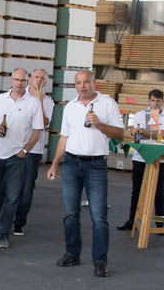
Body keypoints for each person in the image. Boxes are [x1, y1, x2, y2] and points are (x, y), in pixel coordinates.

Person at [47, 69, 124, 277]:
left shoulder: (107, 103)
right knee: (70, 213)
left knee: (99, 215)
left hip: (96, 165)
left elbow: (120, 133)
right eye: (78, 83)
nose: (82, 86)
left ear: (94, 83)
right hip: (71, 163)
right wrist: (54, 164)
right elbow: (64, 137)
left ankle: (100, 261)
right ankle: (72, 253)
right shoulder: (70, 107)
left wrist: (99, 124)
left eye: (86, 82)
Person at [0, 68, 43, 249]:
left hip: (17, 158)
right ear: (11, 80)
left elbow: (37, 130)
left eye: (23, 80)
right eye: (17, 80)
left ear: (27, 82)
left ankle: (3, 234)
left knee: (12, 197)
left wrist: (25, 150)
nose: (19, 83)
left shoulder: (33, 103)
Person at [118, 89, 164, 231]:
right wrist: (151, 133)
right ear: (148, 101)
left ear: (163, 102)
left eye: (158, 101)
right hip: (140, 157)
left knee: (158, 191)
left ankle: (160, 223)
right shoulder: (140, 114)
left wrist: (145, 132)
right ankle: (132, 220)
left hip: (159, 158)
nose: (155, 104)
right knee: (136, 190)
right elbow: (137, 133)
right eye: (153, 101)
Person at [13, 68, 53, 236]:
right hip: (13, 147)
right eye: (36, 77)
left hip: (33, 150)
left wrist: (39, 101)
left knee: (26, 188)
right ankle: (0, 220)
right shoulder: (20, 96)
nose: (38, 80)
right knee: (8, 185)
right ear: (30, 79)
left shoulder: (48, 102)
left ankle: (19, 222)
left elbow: (43, 123)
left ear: (45, 82)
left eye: (42, 78)